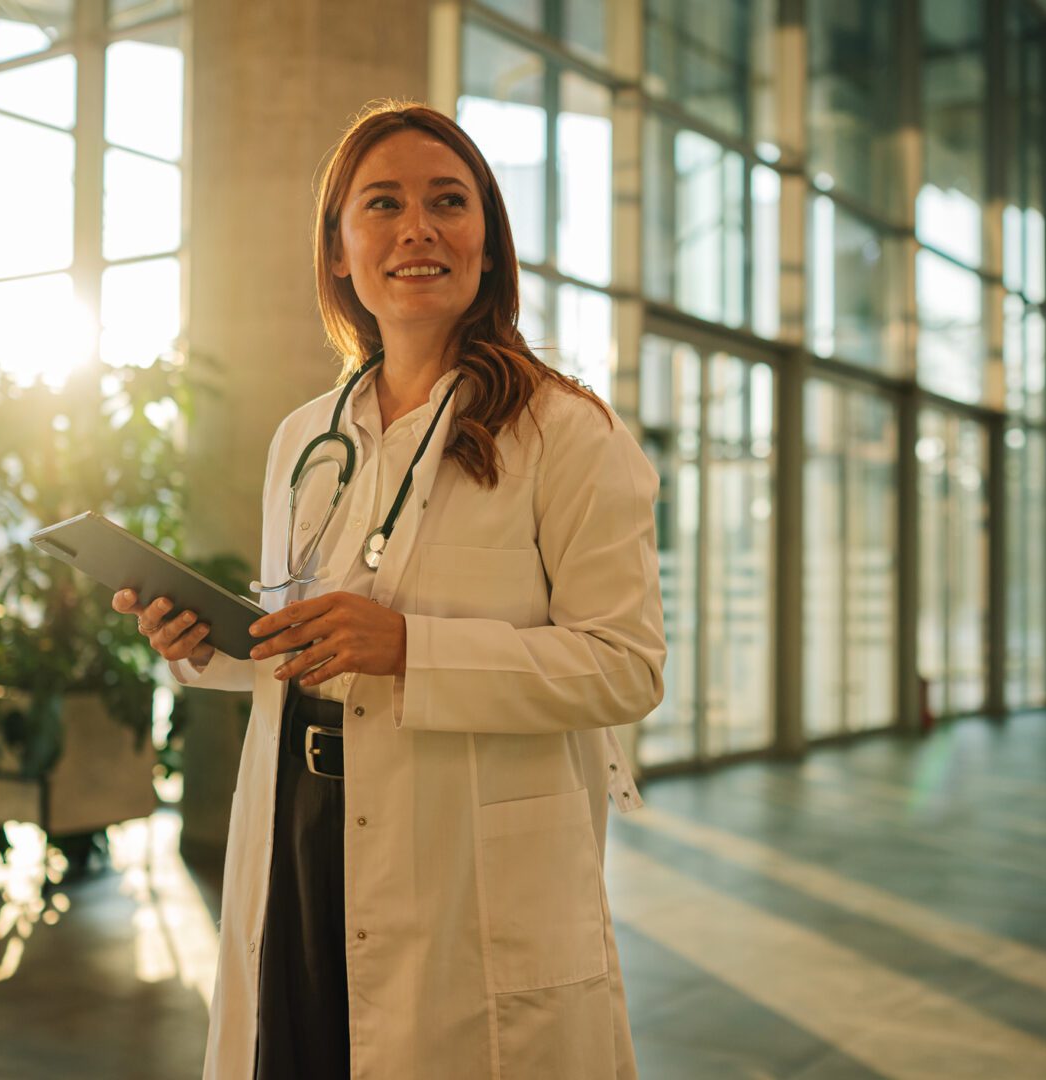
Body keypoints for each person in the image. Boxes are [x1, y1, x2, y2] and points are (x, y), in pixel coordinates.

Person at [113, 100, 664, 1080]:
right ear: (338, 250)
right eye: (383, 205)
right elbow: (305, 644)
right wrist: (205, 643)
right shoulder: (305, 437)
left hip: (467, 866)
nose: (417, 229)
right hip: (302, 830)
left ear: (488, 244)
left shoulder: (570, 433)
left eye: (449, 202)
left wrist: (411, 647)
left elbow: (625, 670)